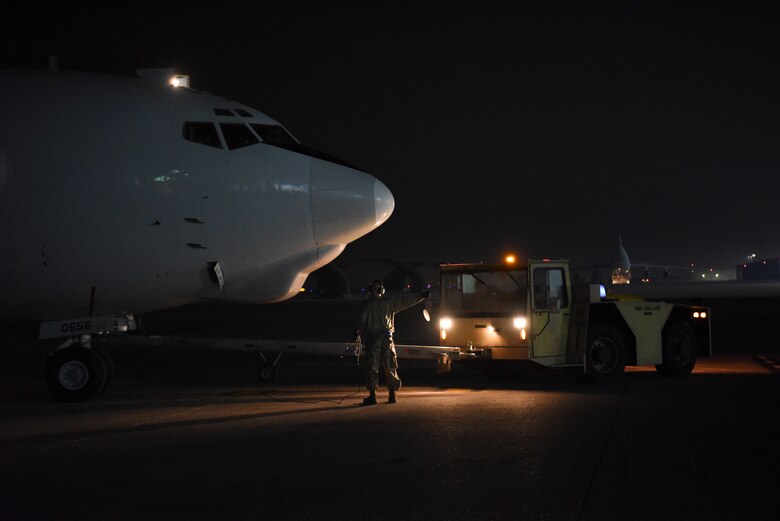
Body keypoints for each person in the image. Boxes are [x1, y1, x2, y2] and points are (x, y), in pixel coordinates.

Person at [357, 280, 430, 405]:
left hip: (373, 340)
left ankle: (373, 396)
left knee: (372, 368)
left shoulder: (367, 306)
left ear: (370, 291)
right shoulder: (389, 303)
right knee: (390, 366)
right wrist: (421, 296)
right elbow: (406, 302)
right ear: (382, 291)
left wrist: (357, 333)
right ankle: (392, 395)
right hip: (387, 339)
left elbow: (360, 323)